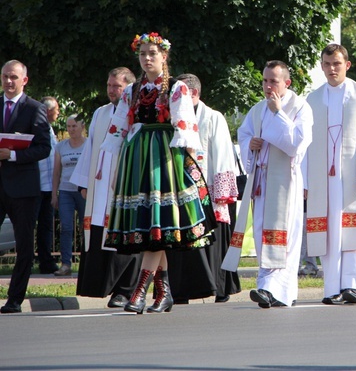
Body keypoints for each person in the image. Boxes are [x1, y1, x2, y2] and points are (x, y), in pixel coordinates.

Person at [100, 33, 216, 314]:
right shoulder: (132, 90)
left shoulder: (176, 89)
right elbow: (118, 130)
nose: (147, 58)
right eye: (142, 54)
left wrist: (181, 169)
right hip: (137, 159)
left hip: (164, 161)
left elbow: (185, 130)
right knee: (154, 230)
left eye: (152, 53)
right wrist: (115, 169)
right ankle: (163, 293)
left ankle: (140, 292)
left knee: (156, 227)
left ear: (164, 56)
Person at [223, 60, 312, 308]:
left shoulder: (300, 107)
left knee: (285, 237)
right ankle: (266, 286)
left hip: (286, 182)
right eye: (264, 80)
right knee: (264, 233)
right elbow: (245, 135)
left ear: (287, 82)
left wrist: (279, 113)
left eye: (273, 81)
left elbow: (296, 143)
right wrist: (250, 145)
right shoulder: (258, 109)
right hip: (262, 181)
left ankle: (276, 290)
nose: (268, 86)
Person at [306, 44, 356, 305]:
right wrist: (306, 181)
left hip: (354, 178)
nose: (331, 69)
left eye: (336, 64)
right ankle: (332, 287)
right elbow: (305, 144)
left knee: (353, 229)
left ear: (347, 65)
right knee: (329, 232)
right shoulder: (313, 100)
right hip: (323, 180)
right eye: (327, 64)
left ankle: (352, 284)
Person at [71, 67, 141, 308]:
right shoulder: (100, 113)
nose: (111, 90)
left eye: (117, 87)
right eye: (109, 85)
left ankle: (125, 290)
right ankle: (100, 286)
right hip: (100, 186)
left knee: (125, 235)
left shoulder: (137, 112)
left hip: (124, 184)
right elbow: (90, 147)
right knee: (100, 234)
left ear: (128, 88)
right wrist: (84, 182)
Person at [175, 73, 240, 303]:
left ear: (193, 93)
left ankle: (218, 287)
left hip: (209, 193)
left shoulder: (213, 117)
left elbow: (222, 155)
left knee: (212, 242)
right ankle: (183, 289)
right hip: (181, 191)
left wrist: (221, 194)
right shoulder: (174, 117)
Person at [0, 60, 52, 314]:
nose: (9, 82)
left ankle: (14, 299)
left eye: (13, 77)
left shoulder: (35, 109)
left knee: (23, 247)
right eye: (5, 77)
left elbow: (44, 147)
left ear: (24, 80)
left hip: (23, 188)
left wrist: (12, 155)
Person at [50, 115, 87, 277]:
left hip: (84, 192)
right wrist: (54, 194)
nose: (71, 129)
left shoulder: (89, 145)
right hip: (65, 191)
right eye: (69, 126)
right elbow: (56, 172)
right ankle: (66, 264)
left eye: (74, 126)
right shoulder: (61, 147)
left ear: (82, 127)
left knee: (87, 227)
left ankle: (88, 263)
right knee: (66, 227)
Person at [36, 96, 59, 274]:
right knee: (28, 227)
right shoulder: (36, 128)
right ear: (48, 111)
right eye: (56, 109)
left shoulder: (51, 130)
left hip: (49, 187)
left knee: (46, 226)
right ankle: (26, 260)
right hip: (35, 186)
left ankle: (46, 261)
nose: (58, 112)